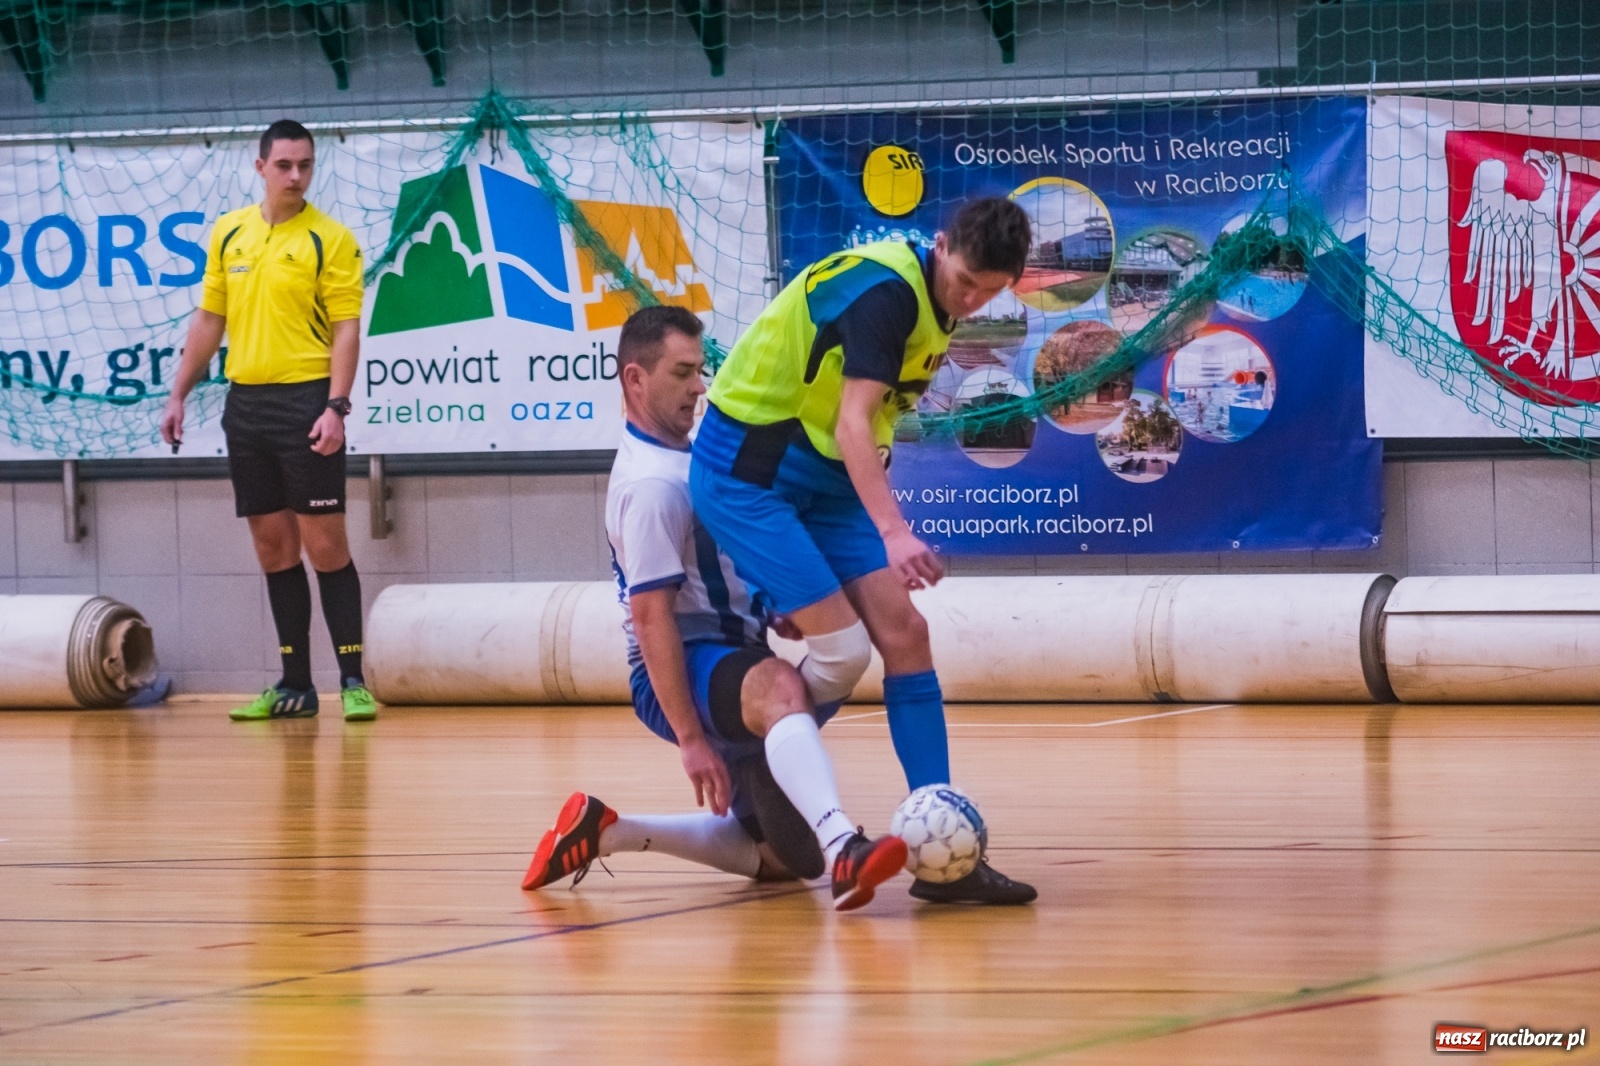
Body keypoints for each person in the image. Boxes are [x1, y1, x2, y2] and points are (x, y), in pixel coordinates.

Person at [689, 197, 1038, 904]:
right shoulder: (889, 293)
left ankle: (947, 849)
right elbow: (853, 424)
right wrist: (895, 530)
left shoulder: (941, 308)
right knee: (845, 652)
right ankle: (772, 749)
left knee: (907, 634)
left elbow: (855, 430)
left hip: (821, 474)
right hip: (750, 470)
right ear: (940, 245)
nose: (969, 299)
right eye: (965, 280)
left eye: (988, 291)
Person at [523, 306, 907, 912]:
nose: (700, 387)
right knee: (783, 687)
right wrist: (690, 740)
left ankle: (608, 831)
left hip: (738, 648)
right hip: (684, 663)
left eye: (702, 371)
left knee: (782, 860)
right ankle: (845, 849)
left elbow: (726, 563)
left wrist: (773, 603)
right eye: (683, 372)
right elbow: (653, 618)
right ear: (635, 379)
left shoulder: (695, 456)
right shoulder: (648, 486)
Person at [159, 119, 375, 723]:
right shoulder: (229, 234)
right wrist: (178, 393)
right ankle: (295, 685)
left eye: (305, 165)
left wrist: (336, 406)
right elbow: (209, 319)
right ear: (260, 167)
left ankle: (353, 680)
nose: (296, 176)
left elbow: (346, 328)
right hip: (245, 407)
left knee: (324, 545)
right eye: (284, 165)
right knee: (272, 545)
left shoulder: (330, 239)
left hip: (308, 403)